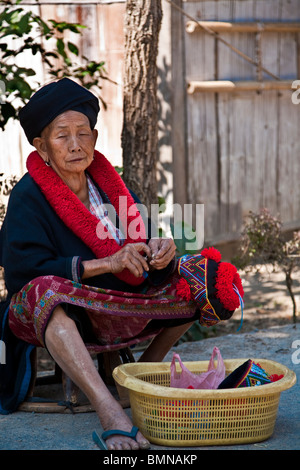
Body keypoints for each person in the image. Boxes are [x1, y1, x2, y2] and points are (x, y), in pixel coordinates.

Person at [0, 78, 244, 450]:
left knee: (202, 276)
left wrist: (160, 251)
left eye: (83, 133)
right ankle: (109, 408)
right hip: (58, 310)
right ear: (42, 146)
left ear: (95, 138)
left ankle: (139, 378)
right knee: (45, 291)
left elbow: (137, 253)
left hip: (117, 297)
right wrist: (106, 264)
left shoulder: (109, 184)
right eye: (62, 135)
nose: (75, 144)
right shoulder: (29, 196)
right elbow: (24, 270)